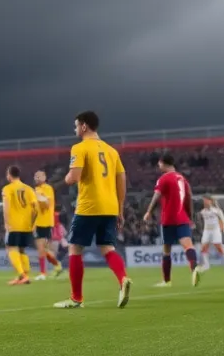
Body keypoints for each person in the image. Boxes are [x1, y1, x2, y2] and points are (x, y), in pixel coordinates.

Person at [55, 110, 133, 310]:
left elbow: (74, 177)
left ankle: (76, 298)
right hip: (110, 207)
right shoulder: (111, 151)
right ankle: (123, 278)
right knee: (107, 248)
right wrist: (120, 209)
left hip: (89, 206)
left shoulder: (80, 148)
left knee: (75, 248)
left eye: (76, 125)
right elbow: (121, 179)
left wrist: (65, 179)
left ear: (84, 126)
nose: (74, 129)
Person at [143, 154, 199, 287]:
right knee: (188, 245)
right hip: (183, 217)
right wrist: (190, 216)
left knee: (167, 249)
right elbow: (189, 197)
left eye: (159, 164)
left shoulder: (163, 179)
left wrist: (148, 211)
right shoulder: (182, 178)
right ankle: (194, 268)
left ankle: (166, 281)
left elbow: (156, 196)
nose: (158, 166)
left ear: (163, 163)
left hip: (168, 218)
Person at [2, 165, 38, 285]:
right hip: (27, 225)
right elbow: (36, 209)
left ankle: (22, 275)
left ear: (9, 175)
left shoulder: (7, 189)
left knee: (11, 248)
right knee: (22, 250)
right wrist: (32, 223)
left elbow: (6, 207)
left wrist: (7, 223)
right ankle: (25, 276)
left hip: (14, 224)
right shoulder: (29, 189)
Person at [32, 171, 63, 280]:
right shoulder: (36, 190)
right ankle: (56, 266)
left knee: (43, 248)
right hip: (38, 223)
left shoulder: (47, 188)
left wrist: (39, 197)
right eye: (35, 176)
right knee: (44, 249)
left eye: (39, 176)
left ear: (44, 177)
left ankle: (44, 273)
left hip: (46, 222)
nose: (37, 178)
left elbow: (46, 205)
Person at [198, 196, 224, 272]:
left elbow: (223, 219)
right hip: (207, 231)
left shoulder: (217, 211)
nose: (205, 202)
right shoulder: (203, 212)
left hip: (215, 230)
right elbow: (200, 220)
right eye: (204, 201)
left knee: (219, 247)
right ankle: (206, 265)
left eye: (206, 200)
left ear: (210, 201)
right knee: (203, 247)